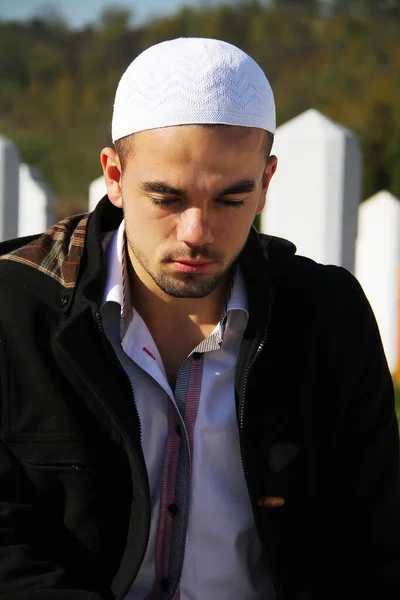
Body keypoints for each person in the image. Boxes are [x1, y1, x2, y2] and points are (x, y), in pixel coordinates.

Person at [0, 37, 399, 600]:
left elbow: (371, 544)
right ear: (114, 176)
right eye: (166, 198)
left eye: (231, 200)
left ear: (266, 182)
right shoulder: (14, 307)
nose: (196, 232)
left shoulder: (326, 316)